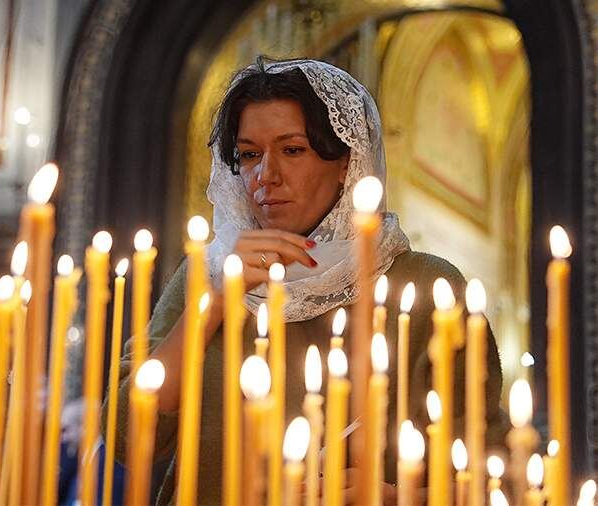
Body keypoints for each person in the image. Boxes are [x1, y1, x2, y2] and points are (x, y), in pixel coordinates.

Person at [105, 57, 507, 505]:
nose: (265, 176)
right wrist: (214, 303)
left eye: (292, 150)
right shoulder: (208, 272)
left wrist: (395, 497)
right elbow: (125, 439)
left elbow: (494, 476)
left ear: (346, 162)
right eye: (250, 154)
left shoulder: (425, 286)